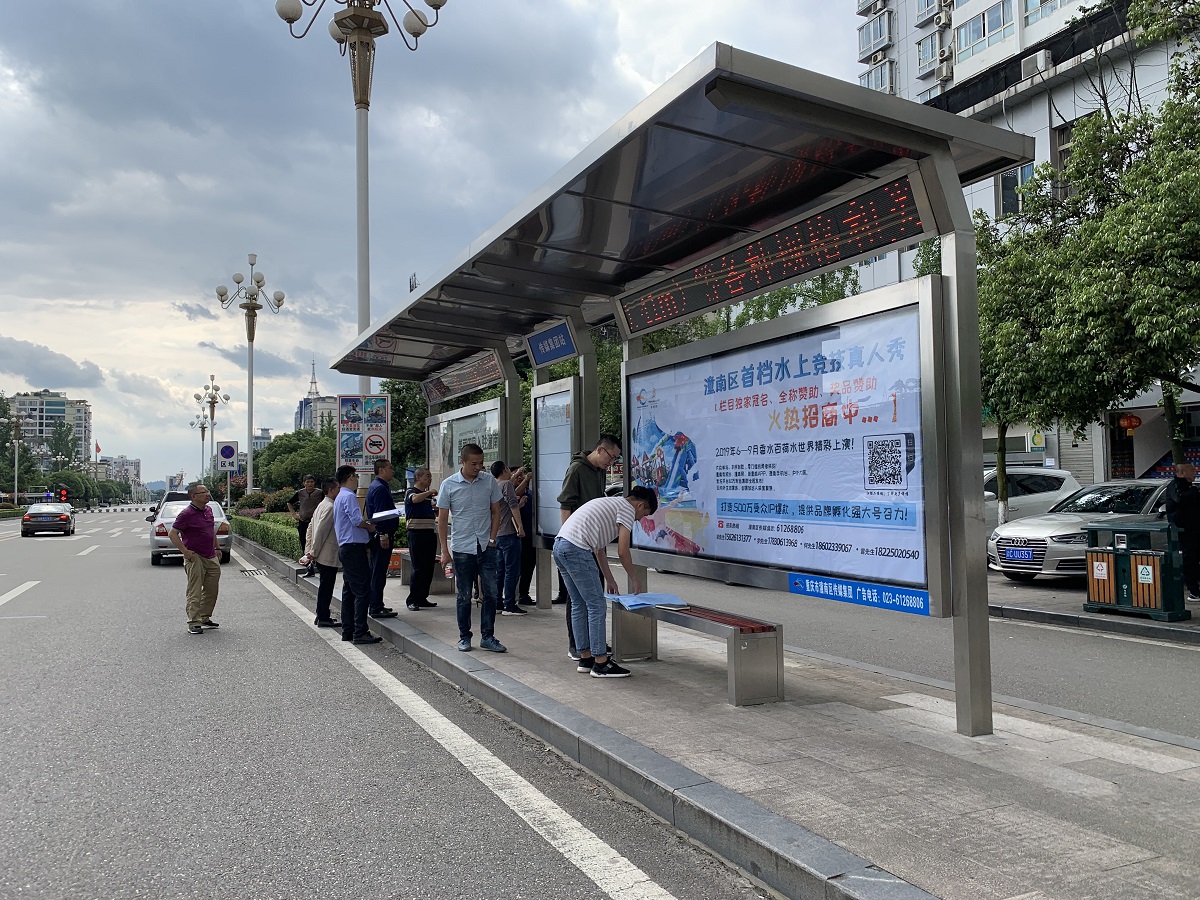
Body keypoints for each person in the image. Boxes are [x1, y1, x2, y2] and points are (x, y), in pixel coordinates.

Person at [552, 486, 657, 678]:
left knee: (578, 603)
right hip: (576, 549)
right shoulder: (627, 509)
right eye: (643, 515)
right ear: (640, 505)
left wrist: (610, 579)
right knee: (597, 606)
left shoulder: (610, 503)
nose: (639, 520)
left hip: (560, 546)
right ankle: (601, 662)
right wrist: (634, 579)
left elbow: (599, 550)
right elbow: (623, 551)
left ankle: (585, 658)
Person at [556, 434, 622, 660]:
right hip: (576, 542)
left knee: (593, 594)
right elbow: (565, 505)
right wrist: (570, 537)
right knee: (579, 599)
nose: (611, 463)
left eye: (615, 459)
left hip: (592, 542)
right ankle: (577, 645)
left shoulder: (599, 471)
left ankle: (594, 642)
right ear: (600, 450)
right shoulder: (576, 469)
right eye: (611, 457)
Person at [437, 443, 506, 653]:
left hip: (486, 546)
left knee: (491, 593)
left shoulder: (489, 482)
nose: (478, 467)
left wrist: (492, 539)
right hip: (462, 547)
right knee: (464, 595)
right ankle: (464, 637)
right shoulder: (449, 484)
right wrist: (444, 551)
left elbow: (496, 511)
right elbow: (442, 519)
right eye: (474, 463)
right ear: (463, 461)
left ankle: (488, 636)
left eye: (481, 463)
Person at [333, 465, 381, 645]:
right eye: (356, 477)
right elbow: (356, 520)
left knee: (349, 590)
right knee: (362, 590)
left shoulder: (340, 496)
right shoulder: (349, 496)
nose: (358, 480)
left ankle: (348, 630)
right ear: (351, 477)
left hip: (346, 548)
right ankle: (360, 631)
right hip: (354, 548)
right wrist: (370, 526)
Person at [169, 482, 221, 635]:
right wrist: (185, 552)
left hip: (211, 555)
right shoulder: (186, 514)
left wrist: (217, 547)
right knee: (195, 590)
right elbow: (172, 534)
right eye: (203, 492)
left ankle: (204, 617)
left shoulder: (208, 510)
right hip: (195, 556)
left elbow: (211, 530)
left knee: (212, 589)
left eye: (207, 491)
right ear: (194, 496)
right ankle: (193, 621)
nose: (207, 494)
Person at [304, 476, 343, 628]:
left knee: (325, 586)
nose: (340, 490)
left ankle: (321, 615)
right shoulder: (331, 507)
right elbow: (320, 531)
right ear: (331, 490)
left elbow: (311, 528)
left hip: (321, 553)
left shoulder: (323, 504)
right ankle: (323, 617)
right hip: (327, 554)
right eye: (338, 488)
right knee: (327, 587)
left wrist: (309, 550)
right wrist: (313, 552)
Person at [490, 460, 528, 616]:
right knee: (512, 571)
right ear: (505, 470)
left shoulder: (494, 485)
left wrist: (518, 473)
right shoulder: (507, 485)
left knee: (499, 571)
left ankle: (498, 603)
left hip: (497, 534)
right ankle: (510, 605)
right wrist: (520, 526)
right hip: (509, 533)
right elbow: (512, 505)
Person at [364, 459, 400, 620]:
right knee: (378, 571)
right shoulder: (379, 488)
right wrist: (383, 535)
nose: (393, 471)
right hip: (381, 535)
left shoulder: (379, 486)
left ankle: (376, 603)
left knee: (377, 570)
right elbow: (379, 515)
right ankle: (376, 606)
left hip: (380, 534)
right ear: (381, 470)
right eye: (390, 468)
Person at [403, 467, 439, 611]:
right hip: (416, 533)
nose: (430, 479)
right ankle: (412, 599)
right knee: (418, 567)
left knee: (428, 566)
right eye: (427, 476)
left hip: (429, 532)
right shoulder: (411, 492)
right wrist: (429, 492)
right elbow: (415, 499)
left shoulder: (427, 497)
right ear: (418, 478)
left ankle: (422, 597)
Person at [1164, 462, 1200, 601]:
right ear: (1183, 473)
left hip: (1194, 529)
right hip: (1185, 530)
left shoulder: (1190, 487)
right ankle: (1194, 591)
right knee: (1189, 559)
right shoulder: (1175, 487)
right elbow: (1180, 500)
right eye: (1192, 471)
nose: (1195, 473)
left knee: (1194, 558)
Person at [287, 475, 324, 576]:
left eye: (311, 482)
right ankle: (309, 567)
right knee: (304, 543)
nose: (309, 484)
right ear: (304, 483)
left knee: (316, 543)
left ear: (314, 483)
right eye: (307, 482)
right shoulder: (300, 493)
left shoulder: (320, 493)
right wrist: (294, 514)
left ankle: (317, 564)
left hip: (316, 522)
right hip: (303, 522)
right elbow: (289, 503)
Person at [517, 476, 536, 605]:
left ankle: (524, 593)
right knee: (519, 568)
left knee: (528, 567)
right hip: (519, 536)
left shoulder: (530, 494)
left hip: (531, 535)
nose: (521, 478)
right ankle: (517, 595)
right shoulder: (512, 493)